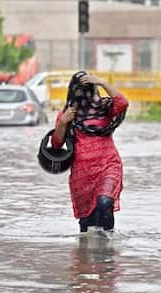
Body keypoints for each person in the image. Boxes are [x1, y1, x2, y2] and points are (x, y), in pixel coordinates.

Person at [51, 71, 129, 233]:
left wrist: (102, 82)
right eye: (80, 89)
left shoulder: (103, 108)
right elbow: (56, 144)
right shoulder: (67, 114)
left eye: (88, 88)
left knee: (104, 202)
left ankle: (109, 244)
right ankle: (86, 254)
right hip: (83, 174)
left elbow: (122, 102)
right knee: (87, 221)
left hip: (108, 165)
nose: (83, 93)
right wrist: (63, 123)